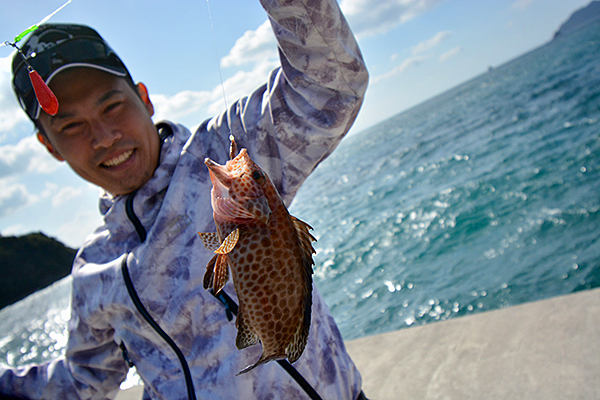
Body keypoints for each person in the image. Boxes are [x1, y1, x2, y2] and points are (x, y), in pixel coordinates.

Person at [0, 0, 368, 398]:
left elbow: (331, 88)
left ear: (144, 98)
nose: (104, 136)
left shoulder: (231, 149)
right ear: (50, 147)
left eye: (112, 105)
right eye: (71, 126)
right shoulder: (93, 272)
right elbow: (82, 382)